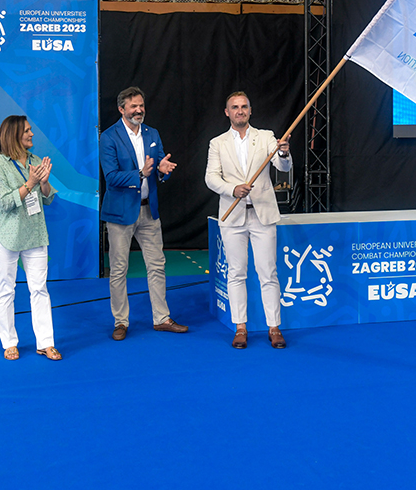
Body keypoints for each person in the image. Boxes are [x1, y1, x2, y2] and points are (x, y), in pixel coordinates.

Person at [100, 86, 188, 341]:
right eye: (133, 106)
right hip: (120, 214)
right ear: (121, 109)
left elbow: (160, 166)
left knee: (157, 265)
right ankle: (120, 321)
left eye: (141, 105)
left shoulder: (152, 133)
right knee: (119, 269)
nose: (139, 110)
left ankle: (161, 318)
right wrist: (140, 174)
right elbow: (111, 177)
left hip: (149, 210)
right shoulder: (109, 137)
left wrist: (163, 169)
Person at [205, 91, 291, 349]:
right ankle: (240, 327)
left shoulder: (265, 137)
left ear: (250, 110)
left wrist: (284, 153)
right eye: (235, 107)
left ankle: (274, 327)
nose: (240, 111)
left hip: (262, 215)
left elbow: (282, 167)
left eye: (244, 106)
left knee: (268, 273)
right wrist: (232, 189)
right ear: (227, 112)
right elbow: (211, 177)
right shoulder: (217, 143)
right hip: (232, 216)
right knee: (236, 273)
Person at [0, 115, 62, 361]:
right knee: (5, 290)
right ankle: (9, 342)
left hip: (35, 234)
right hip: (7, 236)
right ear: (14, 135)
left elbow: (47, 198)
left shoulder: (35, 161)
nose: (32, 134)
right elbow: (5, 202)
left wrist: (44, 183)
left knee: (39, 288)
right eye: (27, 130)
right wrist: (31, 182)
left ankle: (46, 342)